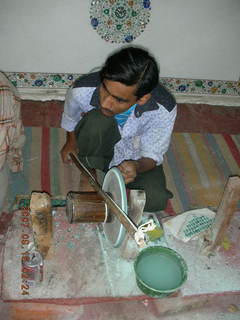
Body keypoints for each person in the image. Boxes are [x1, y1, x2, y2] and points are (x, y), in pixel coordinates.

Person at [60, 46, 177, 212]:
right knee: (97, 119)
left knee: (155, 200)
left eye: (119, 100)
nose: (106, 103)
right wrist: (70, 141)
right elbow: (71, 116)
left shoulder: (163, 109)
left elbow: (152, 154)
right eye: (104, 90)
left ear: (142, 99)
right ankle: (91, 170)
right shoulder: (82, 90)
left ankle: (115, 186)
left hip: (134, 155)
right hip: (99, 143)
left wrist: (137, 166)